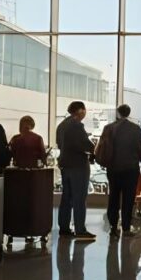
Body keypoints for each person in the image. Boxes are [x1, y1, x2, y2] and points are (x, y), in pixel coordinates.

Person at [98, 104, 141, 238]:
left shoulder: (108, 128)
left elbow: (103, 146)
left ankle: (113, 227)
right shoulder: (135, 129)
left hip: (113, 168)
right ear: (129, 113)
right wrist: (139, 158)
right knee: (129, 197)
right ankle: (126, 227)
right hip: (131, 168)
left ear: (118, 113)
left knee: (113, 196)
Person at [56, 101, 96, 239]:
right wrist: (94, 149)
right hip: (78, 166)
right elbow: (85, 144)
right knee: (79, 198)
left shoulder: (61, 125)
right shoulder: (76, 125)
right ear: (80, 111)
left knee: (66, 198)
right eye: (84, 110)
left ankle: (64, 228)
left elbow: (60, 144)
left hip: (65, 164)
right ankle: (80, 230)